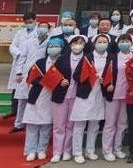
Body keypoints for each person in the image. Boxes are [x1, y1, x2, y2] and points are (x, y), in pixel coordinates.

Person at [21, 37, 64, 161]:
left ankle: (41, 149)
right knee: (32, 126)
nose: (53, 48)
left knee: (46, 126)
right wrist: (45, 82)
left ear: (61, 48)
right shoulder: (40, 62)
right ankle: (31, 150)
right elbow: (31, 78)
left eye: (56, 46)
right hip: (36, 96)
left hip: (51, 98)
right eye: (51, 46)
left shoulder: (62, 63)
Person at [70, 34, 109, 163]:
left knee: (94, 125)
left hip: (99, 95)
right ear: (94, 43)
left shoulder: (110, 57)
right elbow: (76, 76)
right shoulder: (87, 57)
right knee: (80, 124)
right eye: (99, 42)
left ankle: (90, 151)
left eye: (104, 42)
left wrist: (105, 80)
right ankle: (77, 152)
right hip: (85, 94)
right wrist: (90, 76)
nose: (102, 44)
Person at [50, 33, 84, 163]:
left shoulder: (87, 59)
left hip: (77, 97)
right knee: (59, 126)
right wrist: (60, 81)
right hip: (61, 95)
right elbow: (51, 75)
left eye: (80, 43)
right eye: (75, 43)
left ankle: (67, 150)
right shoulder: (61, 59)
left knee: (71, 125)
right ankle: (57, 152)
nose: (77, 46)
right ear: (70, 45)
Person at [13, 21, 50, 134]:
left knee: (38, 99)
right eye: (40, 26)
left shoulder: (50, 42)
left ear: (49, 30)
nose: (42, 29)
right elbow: (22, 58)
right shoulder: (29, 42)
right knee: (22, 100)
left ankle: (35, 122)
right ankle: (19, 124)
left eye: (45, 27)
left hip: (41, 73)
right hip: (26, 72)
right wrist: (19, 72)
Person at [101, 34, 133, 162]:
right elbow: (106, 74)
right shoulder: (112, 57)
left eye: (127, 41)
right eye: (122, 41)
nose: (125, 43)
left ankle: (117, 148)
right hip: (114, 94)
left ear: (131, 43)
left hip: (128, 95)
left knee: (122, 123)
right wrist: (108, 85)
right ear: (118, 43)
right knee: (110, 123)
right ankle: (107, 150)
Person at [8, 12, 37, 132]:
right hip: (21, 66)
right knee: (20, 97)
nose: (28, 24)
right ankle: (18, 123)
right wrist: (19, 53)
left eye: (30, 22)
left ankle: (29, 121)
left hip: (34, 68)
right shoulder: (20, 33)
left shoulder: (40, 33)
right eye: (26, 22)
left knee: (33, 98)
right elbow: (12, 46)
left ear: (35, 20)